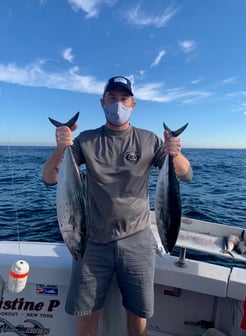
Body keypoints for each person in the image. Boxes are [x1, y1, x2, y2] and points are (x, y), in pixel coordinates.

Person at [43, 75, 193, 336]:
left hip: (138, 241)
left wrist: (175, 152)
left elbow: (185, 174)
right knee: (86, 315)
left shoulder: (148, 140)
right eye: (112, 98)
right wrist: (61, 148)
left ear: (133, 104)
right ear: (102, 102)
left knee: (138, 315)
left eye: (124, 98)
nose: (118, 103)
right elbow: (49, 178)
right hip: (91, 242)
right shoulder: (86, 141)